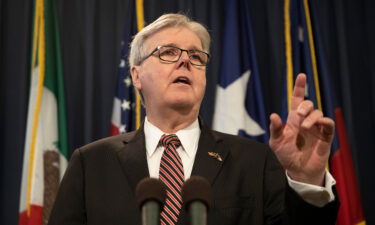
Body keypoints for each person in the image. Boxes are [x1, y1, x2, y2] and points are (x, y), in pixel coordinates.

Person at [48, 13, 339, 225]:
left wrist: (305, 180)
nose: (185, 60)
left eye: (196, 56)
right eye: (168, 53)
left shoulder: (253, 161)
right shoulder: (92, 163)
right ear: (137, 75)